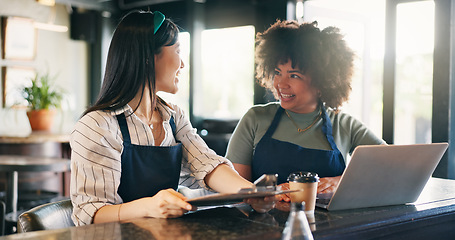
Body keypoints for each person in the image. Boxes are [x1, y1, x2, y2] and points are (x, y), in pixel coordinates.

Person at [70, 10, 274, 226]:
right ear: (148, 57)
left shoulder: (174, 116)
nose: (183, 64)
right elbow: (91, 215)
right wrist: (149, 207)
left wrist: (251, 193)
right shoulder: (97, 127)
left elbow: (207, 165)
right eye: (177, 51)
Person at [225, 20, 386, 200]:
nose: (281, 84)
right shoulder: (255, 119)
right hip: (262, 225)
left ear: (322, 82)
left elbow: (392, 166)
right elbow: (235, 191)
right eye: (278, 72)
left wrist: (341, 181)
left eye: (294, 75)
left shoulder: (345, 125)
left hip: (330, 227)